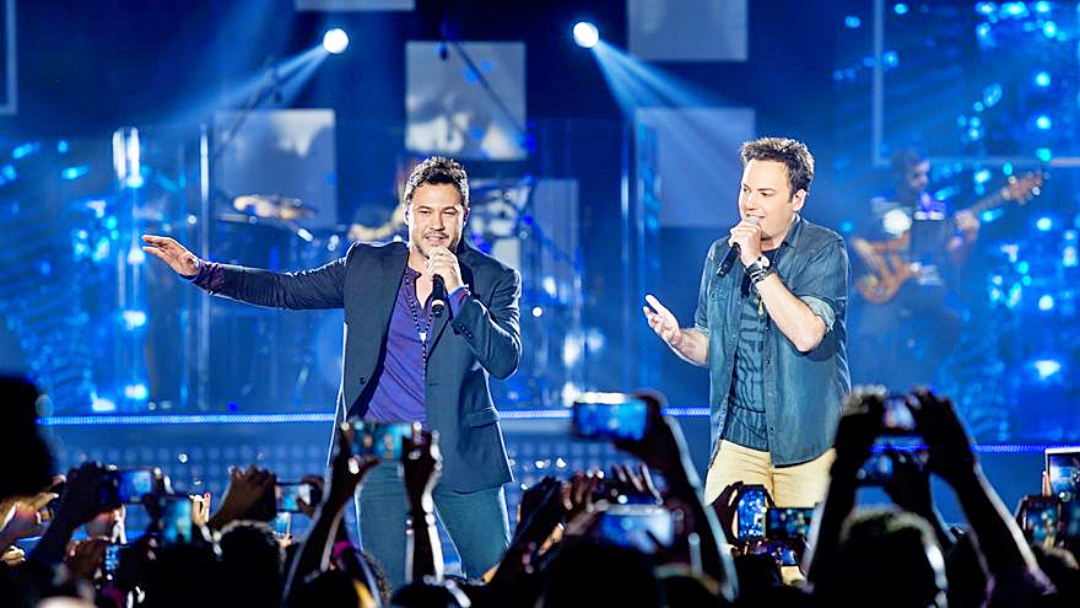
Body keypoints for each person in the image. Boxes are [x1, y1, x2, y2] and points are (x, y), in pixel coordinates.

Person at [141, 156, 521, 588]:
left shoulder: (493, 279)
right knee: (387, 588)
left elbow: (505, 361)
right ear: (408, 212)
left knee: (498, 583)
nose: (437, 224)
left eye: (449, 212)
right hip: (379, 452)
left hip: (463, 450)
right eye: (426, 211)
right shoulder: (366, 266)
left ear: (464, 216)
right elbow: (285, 289)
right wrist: (203, 272)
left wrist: (459, 295)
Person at [642, 137, 850, 509]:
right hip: (737, 443)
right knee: (725, 557)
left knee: (800, 564)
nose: (750, 203)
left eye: (766, 193)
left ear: (797, 200)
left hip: (807, 444)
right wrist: (677, 337)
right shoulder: (721, 254)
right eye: (746, 189)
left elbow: (807, 335)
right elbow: (709, 346)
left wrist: (756, 263)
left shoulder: (823, 250)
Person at [848, 148, 979, 391]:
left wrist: (969, 238)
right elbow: (854, 236)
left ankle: (925, 382)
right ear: (899, 177)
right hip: (887, 285)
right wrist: (862, 247)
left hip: (927, 285)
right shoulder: (877, 206)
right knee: (867, 333)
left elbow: (956, 257)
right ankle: (866, 396)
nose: (924, 181)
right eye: (916, 176)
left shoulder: (939, 209)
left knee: (954, 316)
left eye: (925, 174)